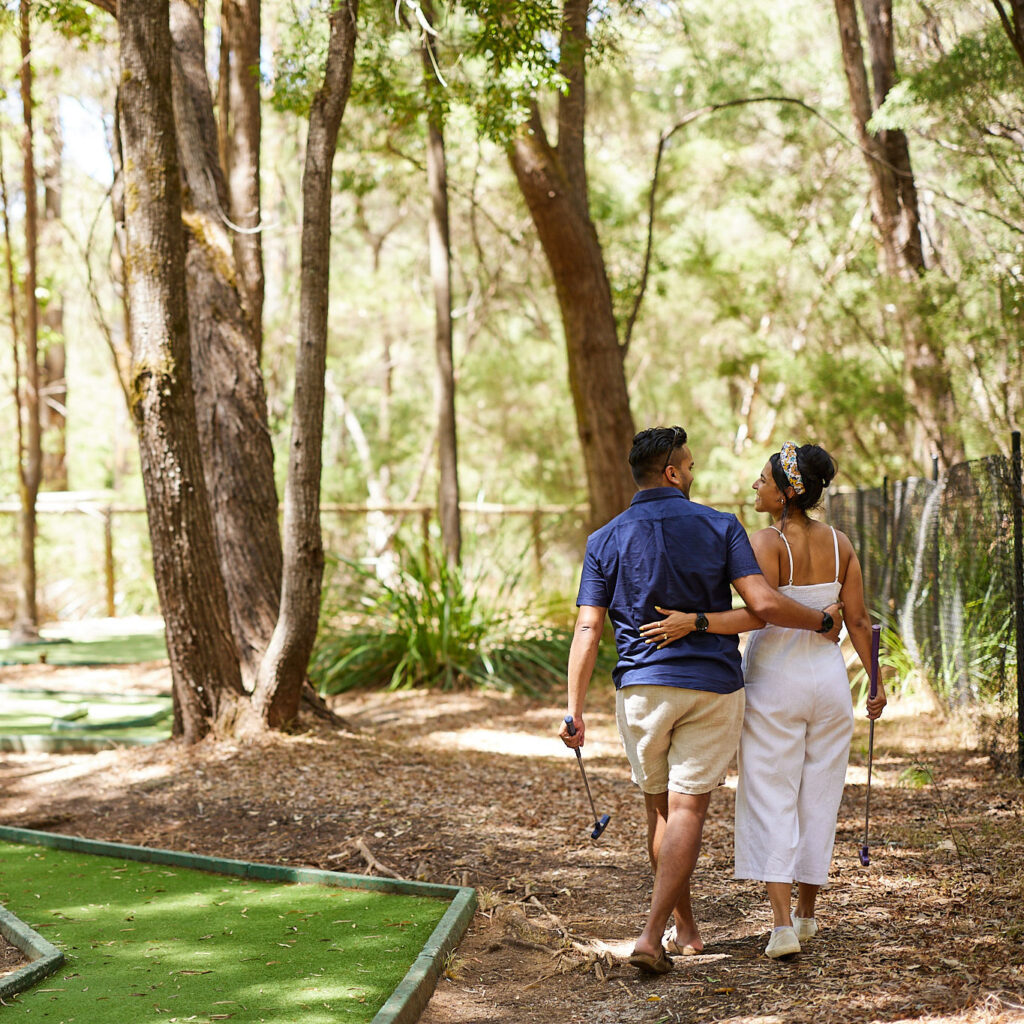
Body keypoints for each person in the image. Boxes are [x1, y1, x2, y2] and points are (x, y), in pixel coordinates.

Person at [560, 427, 842, 975]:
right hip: (712, 687)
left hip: (642, 689)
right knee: (688, 808)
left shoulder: (605, 539)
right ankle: (652, 933)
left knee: (660, 808)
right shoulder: (720, 525)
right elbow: (762, 604)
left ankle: (682, 927)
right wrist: (821, 619)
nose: (693, 473)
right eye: (688, 465)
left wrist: (574, 710)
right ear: (671, 472)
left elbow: (588, 629)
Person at [640, 442, 887, 960]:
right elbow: (859, 621)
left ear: (786, 493)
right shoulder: (842, 545)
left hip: (777, 679)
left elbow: (759, 610)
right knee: (819, 795)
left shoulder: (767, 542)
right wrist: (877, 681)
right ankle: (808, 915)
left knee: (771, 792)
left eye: (763, 480)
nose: (756, 486)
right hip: (829, 680)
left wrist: (695, 621)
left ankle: (780, 927)